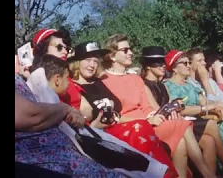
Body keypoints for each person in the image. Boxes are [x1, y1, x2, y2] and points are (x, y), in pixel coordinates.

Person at [101, 34, 219, 178]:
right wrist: (148, 120)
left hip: (149, 123)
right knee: (181, 126)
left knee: (180, 139)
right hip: (128, 128)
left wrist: (153, 116)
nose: (131, 53)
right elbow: (113, 115)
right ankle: (208, 175)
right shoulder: (104, 81)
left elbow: (147, 106)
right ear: (112, 56)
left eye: (130, 49)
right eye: (125, 50)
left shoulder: (135, 79)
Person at [62, 41, 178, 178]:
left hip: (117, 127)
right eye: (87, 60)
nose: (92, 65)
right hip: (99, 133)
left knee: (142, 128)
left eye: (95, 60)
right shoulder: (73, 86)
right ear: (77, 62)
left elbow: (117, 112)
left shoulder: (99, 82)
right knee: (140, 127)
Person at [164, 48, 223, 177]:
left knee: (211, 139)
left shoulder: (189, 85)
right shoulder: (168, 86)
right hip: (185, 123)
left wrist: (217, 106)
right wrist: (207, 108)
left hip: (199, 120)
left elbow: (204, 101)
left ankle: (217, 173)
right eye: (185, 63)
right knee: (214, 125)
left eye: (189, 63)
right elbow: (179, 108)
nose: (189, 66)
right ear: (174, 68)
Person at [15, 74, 125, 177]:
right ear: (57, 79)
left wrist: (69, 113)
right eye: (67, 78)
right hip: (44, 162)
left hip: (62, 154)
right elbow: (32, 116)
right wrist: (64, 109)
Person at [139, 46, 219, 176]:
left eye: (163, 62)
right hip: (160, 124)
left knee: (209, 141)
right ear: (148, 66)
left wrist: (176, 106)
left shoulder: (161, 85)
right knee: (189, 129)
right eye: (158, 62)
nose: (163, 66)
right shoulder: (145, 85)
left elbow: (173, 105)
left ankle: (212, 173)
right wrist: (174, 108)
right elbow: (157, 110)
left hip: (173, 121)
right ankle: (210, 174)